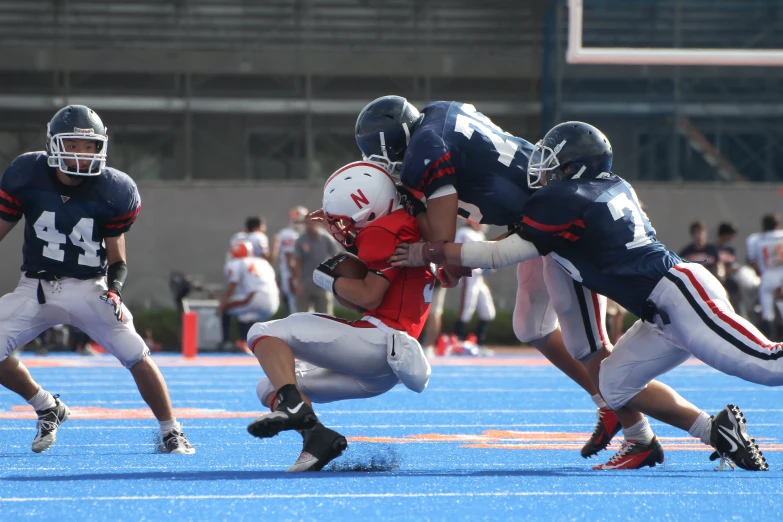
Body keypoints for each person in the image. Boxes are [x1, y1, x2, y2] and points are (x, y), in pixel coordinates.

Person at [391, 121, 769, 471]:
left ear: (576, 168)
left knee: (767, 365)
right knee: (612, 383)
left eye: (555, 164)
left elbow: (498, 254)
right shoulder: (606, 186)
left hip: (681, 297)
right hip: (657, 313)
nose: (544, 171)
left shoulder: (566, 198)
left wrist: (429, 252)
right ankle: (716, 431)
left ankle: (654, 438)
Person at [355, 95, 621, 460]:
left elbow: (442, 239)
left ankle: (649, 425)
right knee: (532, 327)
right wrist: (450, 260)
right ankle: (609, 402)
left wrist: (434, 252)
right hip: (534, 216)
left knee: (589, 340)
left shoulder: (426, 148)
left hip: (561, 215)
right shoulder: (435, 115)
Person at [0, 105, 194, 454]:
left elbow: (118, 257)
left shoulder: (115, 190)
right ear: (54, 145)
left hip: (89, 288)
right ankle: (46, 405)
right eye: (73, 144)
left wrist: (115, 291)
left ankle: (171, 430)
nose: (81, 154)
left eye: (89, 147)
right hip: (36, 287)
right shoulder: (26, 173)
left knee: (135, 352)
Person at [245, 161, 435, 471]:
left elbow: (368, 296)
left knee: (262, 332)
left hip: (376, 341)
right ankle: (316, 438)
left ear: (370, 210)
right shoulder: (407, 225)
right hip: (383, 367)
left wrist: (328, 279)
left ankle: (294, 410)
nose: (337, 228)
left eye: (342, 220)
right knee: (269, 386)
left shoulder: (382, 231)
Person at [217, 240, 280, 351]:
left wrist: (222, 304)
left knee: (226, 308)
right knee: (246, 313)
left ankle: (227, 342)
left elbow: (232, 286)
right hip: (274, 300)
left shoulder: (237, 263)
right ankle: (250, 343)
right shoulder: (262, 262)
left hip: (255, 296)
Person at [454, 220, 496, 346]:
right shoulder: (464, 233)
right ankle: (457, 341)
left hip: (479, 277)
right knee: (466, 309)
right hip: (468, 274)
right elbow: (457, 252)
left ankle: (479, 343)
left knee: (488, 311)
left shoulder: (479, 235)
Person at [292, 216, 341, 314]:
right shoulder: (300, 240)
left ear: (317, 223)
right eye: (306, 223)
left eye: (311, 223)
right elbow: (298, 263)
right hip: (306, 283)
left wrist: (334, 276)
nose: (308, 226)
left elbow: (337, 256)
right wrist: (298, 283)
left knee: (325, 315)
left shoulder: (326, 239)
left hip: (323, 283)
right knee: (302, 316)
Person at [749, 214, 783, 337]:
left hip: (767, 275)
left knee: (767, 313)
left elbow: (752, 260)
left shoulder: (756, 239)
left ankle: (770, 340)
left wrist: (759, 272)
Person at [271, 206, 307, 314]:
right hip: (291, 276)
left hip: (297, 275)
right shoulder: (289, 234)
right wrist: (294, 278)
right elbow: (289, 259)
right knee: (296, 310)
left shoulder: (296, 234)